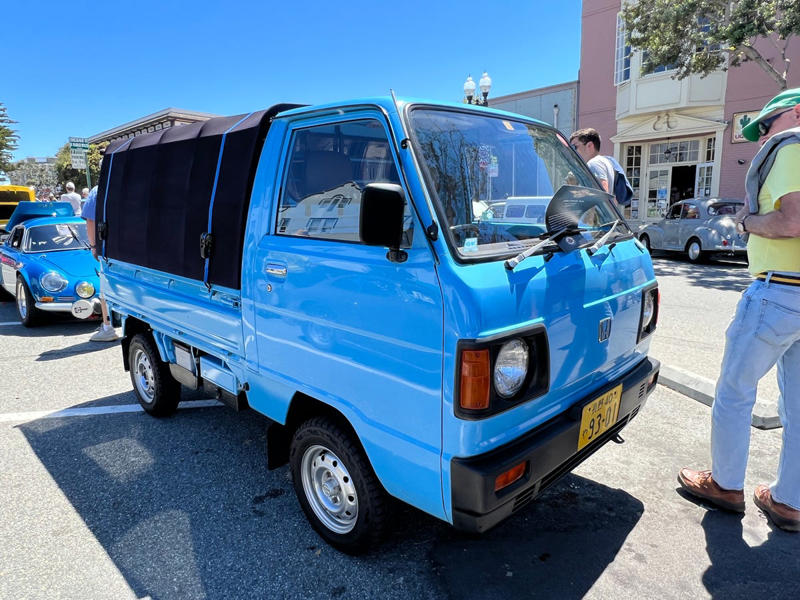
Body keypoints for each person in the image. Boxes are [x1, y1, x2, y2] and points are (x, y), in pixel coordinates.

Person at [678, 88, 800, 532]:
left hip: (779, 290)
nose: (764, 135)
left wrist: (746, 222)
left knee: (733, 391)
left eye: (768, 125)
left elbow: (791, 221)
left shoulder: (792, 148)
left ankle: (726, 484)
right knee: (799, 408)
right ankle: (789, 501)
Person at [81, 183, 119, 342]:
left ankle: (107, 327)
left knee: (105, 288)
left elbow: (90, 221)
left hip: (108, 247)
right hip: (131, 247)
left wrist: (94, 246)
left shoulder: (98, 190)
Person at [569, 128, 616, 195]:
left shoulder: (594, 163)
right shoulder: (603, 162)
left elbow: (602, 195)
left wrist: (574, 191)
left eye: (574, 147)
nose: (572, 152)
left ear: (589, 146)